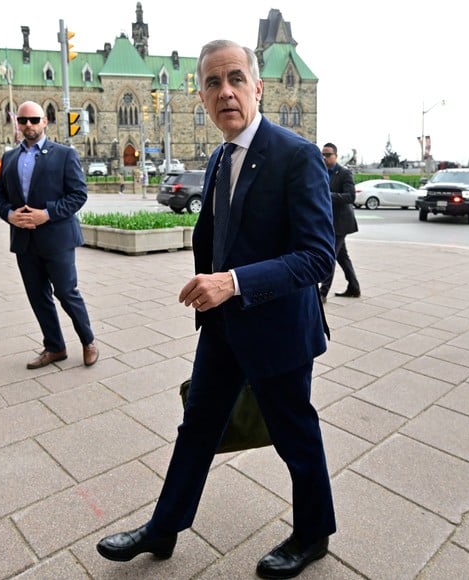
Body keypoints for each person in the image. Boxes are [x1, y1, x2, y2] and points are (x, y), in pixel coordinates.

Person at [96, 40, 336, 579]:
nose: (224, 91)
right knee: (197, 427)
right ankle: (164, 529)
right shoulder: (221, 155)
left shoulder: (295, 155)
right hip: (224, 329)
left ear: (258, 87)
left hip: (278, 330)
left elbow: (318, 257)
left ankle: (313, 533)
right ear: (201, 96)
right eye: (211, 82)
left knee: (295, 435)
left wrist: (232, 282)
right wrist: (213, 289)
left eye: (234, 78)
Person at [0, 101, 98, 369]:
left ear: (44, 122)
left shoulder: (64, 154)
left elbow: (78, 195)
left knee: (66, 292)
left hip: (57, 239)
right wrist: (9, 214)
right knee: (37, 296)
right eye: (23, 120)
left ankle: (88, 341)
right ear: (17, 122)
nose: (29, 125)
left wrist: (47, 214)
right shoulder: (9, 157)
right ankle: (55, 347)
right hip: (24, 241)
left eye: (34, 119)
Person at [318, 142, 360, 301]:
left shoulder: (344, 173)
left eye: (328, 154)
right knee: (342, 257)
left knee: (330, 256)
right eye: (323, 154)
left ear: (336, 156)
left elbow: (350, 197)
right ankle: (354, 287)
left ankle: (323, 293)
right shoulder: (322, 172)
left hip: (341, 223)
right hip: (328, 222)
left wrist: (327, 195)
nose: (324, 157)